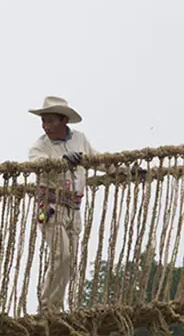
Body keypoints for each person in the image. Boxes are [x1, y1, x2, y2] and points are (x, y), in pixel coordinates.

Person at [27, 96, 143, 313]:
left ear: (64, 121)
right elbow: (37, 163)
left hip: (74, 209)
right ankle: (49, 309)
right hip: (51, 208)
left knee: (68, 260)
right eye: (44, 121)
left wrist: (127, 171)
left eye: (50, 121)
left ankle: (54, 307)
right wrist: (62, 161)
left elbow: (98, 161)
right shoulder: (40, 146)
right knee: (61, 255)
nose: (46, 126)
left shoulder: (79, 139)